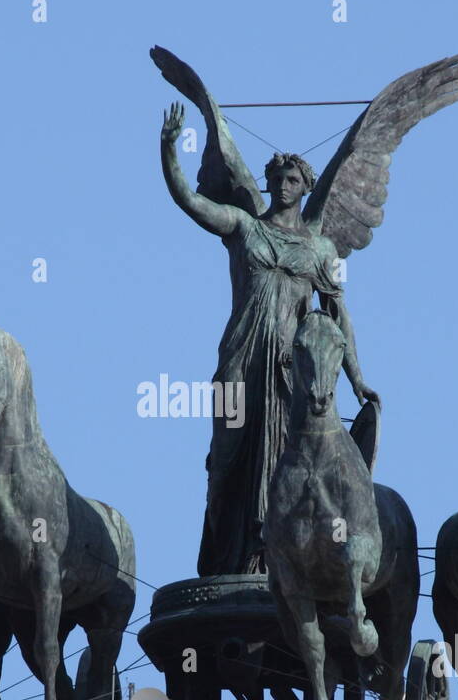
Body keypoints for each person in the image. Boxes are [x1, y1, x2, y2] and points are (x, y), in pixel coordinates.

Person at [160, 101, 378, 576]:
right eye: (277, 179)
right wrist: (169, 150)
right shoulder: (244, 227)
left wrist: (357, 379)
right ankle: (221, 555)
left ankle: (272, 555)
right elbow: (189, 201)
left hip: (288, 370)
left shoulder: (319, 248)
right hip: (240, 360)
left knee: (286, 458)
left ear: (306, 188)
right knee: (224, 462)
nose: (283, 186)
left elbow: (338, 314)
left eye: (293, 180)